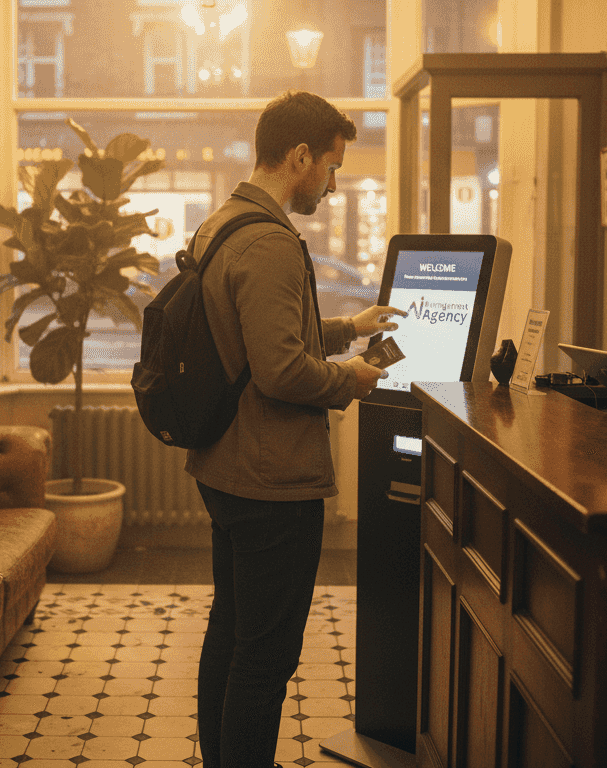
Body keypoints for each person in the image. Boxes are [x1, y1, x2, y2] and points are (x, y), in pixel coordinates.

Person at [184, 90, 404, 768]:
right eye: (333, 168)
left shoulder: (220, 224)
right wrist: (355, 379)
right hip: (274, 479)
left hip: (223, 465)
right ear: (300, 155)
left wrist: (345, 327)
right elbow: (281, 372)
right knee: (266, 655)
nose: (334, 186)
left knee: (232, 630)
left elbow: (255, 339)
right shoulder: (273, 241)